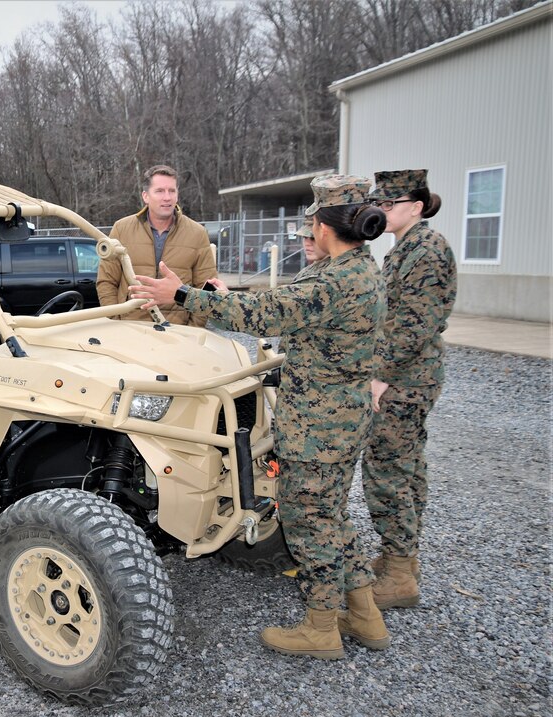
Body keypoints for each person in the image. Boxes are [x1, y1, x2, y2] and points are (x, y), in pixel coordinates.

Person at [129, 175, 390, 659]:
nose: (309, 226)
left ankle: (321, 628)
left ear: (327, 226)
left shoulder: (334, 280)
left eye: (313, 219)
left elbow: (268, 311)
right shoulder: (361, 269)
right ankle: (366, 616)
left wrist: (183, 295)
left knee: (309, 521)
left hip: (318, 427)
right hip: (341, 419)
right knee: (331, 516)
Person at [362, 169, 457, 609]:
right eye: (379, 204)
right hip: (408, 375)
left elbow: (415, 324)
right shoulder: (407, 248)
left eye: (389, 204)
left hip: (404, 379)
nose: (382, 211)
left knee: (388, 469)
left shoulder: (427, 250)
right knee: (406, 466)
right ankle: (401, 559)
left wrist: (379, 374)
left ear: (416, 206)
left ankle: (400, 574)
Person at [97, 165, 216, 326]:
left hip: (179, 333)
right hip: (130, 329)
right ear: (146, 196)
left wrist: (195, 328)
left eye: (172, 191)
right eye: (160, 191)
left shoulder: (197, 233)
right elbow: (107, 281)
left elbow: (207, 287)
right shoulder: (121, 229)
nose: (167, 197)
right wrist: (115, 322)